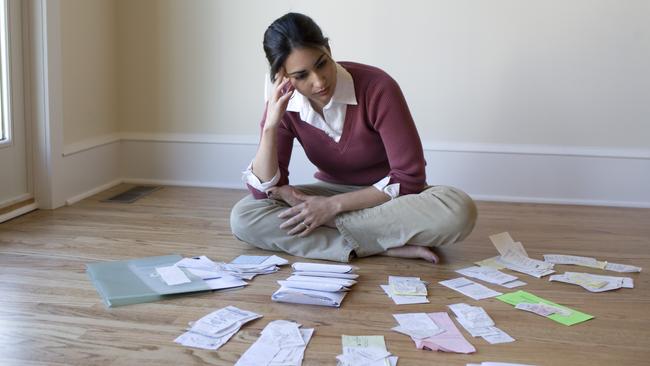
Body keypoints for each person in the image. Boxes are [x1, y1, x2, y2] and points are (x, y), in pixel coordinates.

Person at [230, 12, 477, 263]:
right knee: (245, 216)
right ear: (282, 77)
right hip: (329, 192)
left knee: (457, 210)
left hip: (389, 198)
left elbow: (410, 178)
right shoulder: (283, 105)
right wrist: (271, 125)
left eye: (321, 63)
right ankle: (381, 245)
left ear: (328, 49)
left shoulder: (377, 86)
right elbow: (264, 191)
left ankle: (343, 235)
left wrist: (332, 208)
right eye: (301, 76)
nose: (318, 81)